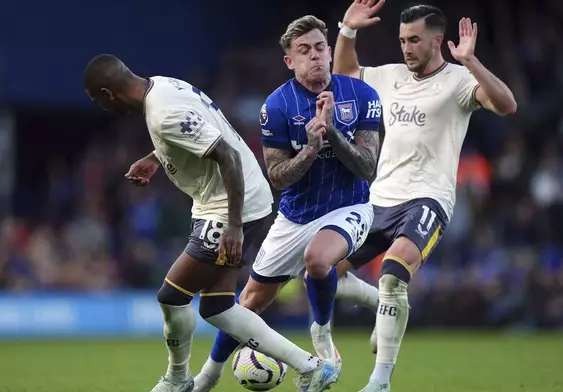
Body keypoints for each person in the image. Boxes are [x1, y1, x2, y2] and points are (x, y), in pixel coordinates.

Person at [83, 54, 340, 392]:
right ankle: (313, 367)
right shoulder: (163, 85)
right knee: (217, 307)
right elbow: (203, 128)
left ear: (107, 93)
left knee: (171, 296)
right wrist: (157, 157)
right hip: (231, 202)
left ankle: (178, 380)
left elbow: (227, 155)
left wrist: (233, 225)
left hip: (231, 208)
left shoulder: (163, 114)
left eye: (98, 101)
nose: (102, 107)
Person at [332, 2, 518, 391]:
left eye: (414, 40)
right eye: (402, 40)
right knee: (323, 271)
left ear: (437, 41)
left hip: (427, 200)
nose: (406, 48)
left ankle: (379, 381)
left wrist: (472, 62)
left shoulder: (460, 81)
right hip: (379, 198)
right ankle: (383, 308)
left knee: (394, 272)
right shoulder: (390, 76)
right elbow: (345, 73)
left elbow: (506, 105)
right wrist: (347, 31)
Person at [192, 14, 382, 392]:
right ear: (290, 61)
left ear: (330, 51)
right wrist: (311, 147)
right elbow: (277, 176)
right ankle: (207, 376)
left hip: (350, 207)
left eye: (320, 48)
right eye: (304, 50)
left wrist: (334, 135)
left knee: (318, 258)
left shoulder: (362, 95)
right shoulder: (277, 107)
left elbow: (368, 167)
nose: (315, 56)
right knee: (247, 302)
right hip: (295, 216)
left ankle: (322, 335)